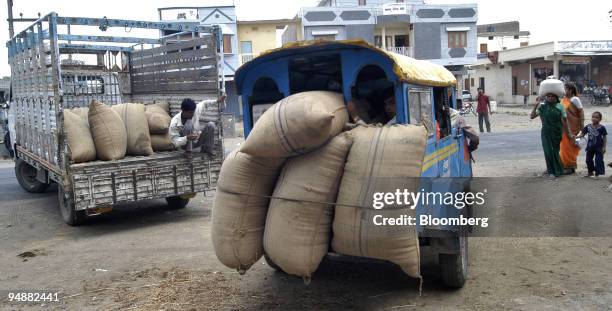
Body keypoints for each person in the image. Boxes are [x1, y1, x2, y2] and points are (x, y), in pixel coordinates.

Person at [530, 91, 573, 178]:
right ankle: (551, 171)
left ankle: (557, 169)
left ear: (556, 97)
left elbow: (564, 122)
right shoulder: (543, 107)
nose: (550, 98)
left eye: (552, 96)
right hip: (545, 132)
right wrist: (535, 106)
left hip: (557, 132)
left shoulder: (560, 107)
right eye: (548, 96)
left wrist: (569, 134)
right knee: (547, 152)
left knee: (554, 152)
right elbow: (532, 116)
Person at [559, 83, 585, 174]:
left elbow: (581, 113)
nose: (564, 91)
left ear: (571, 90)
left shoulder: (575, 99)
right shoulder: (563, 100)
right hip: (564, 128)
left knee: (570, 148)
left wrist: (582, 128)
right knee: (564, 148)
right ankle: (565, 166)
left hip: (573, 128)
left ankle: (571, 167)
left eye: (565, 89)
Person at [575, 111, 607, 178]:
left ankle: (597, 174)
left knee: (598, 161)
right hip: (590, 147)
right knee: (588, 160)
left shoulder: (602, 128)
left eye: (596, 117)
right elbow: (582, 134)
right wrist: (575, 137)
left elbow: (604, 138)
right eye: (593, 117)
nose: (594, 118)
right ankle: (590, 172)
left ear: (600, 119)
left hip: (599, 148)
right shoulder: (588, 127)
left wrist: (604, 147)